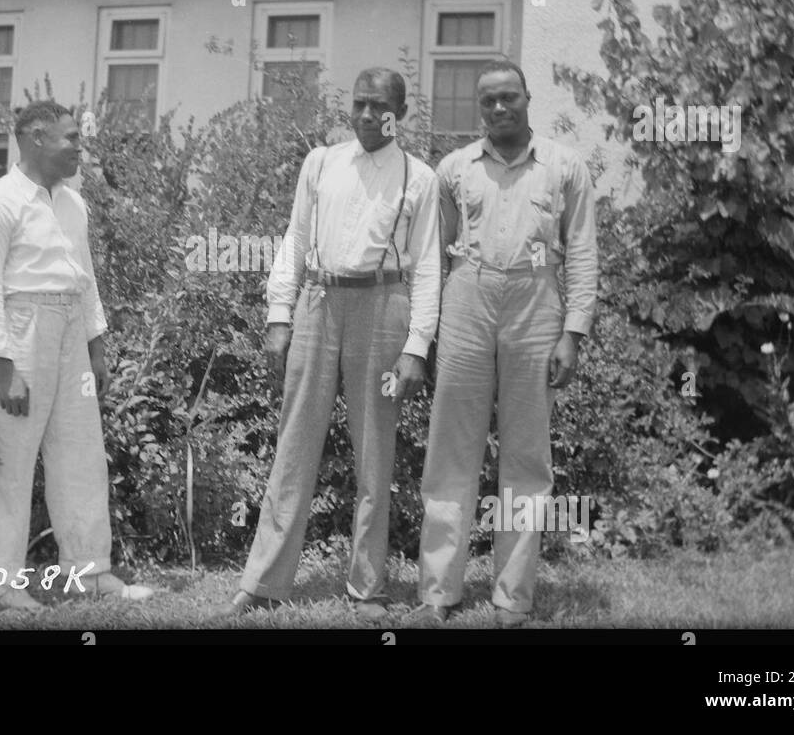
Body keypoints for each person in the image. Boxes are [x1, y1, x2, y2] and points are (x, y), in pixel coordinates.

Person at [222, 68, 441, 621]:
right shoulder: (321, 162)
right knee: (294, 443)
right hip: (318, 303)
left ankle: (367, 587)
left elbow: (429, 266)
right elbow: (295, 237)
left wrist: (417, 346)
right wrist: (278, 311)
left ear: (400, 113)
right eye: (359, 104)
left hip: (383, 307)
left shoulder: (419, 176)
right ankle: (264, 582)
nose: (368, 115)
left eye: (380, 107)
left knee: (375, 452)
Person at [412, 61, 598, 627]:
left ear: (527, 99)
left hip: (536, 303)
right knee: (451, 451)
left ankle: (511, 597)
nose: (498, 108)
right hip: (467, 296)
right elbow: (431, 252)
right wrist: (425, 328)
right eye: (488, 100)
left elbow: (583, 253)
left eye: (508, 98)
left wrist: (573, 332)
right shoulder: (454, 169)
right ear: (480, 107)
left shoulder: (566, 167)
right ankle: (438, 592)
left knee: (525, 456)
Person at [0, 99, 153, 612]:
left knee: (81, 454)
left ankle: (89, 573)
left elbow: (84, 280)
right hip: (20, 336)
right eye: (70, 138)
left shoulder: (73, 204)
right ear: (36, 138)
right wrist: (4, 370)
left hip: (70, 333)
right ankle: (2, 583)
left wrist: (97, 349)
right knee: (13, 460)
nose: (78, 148)